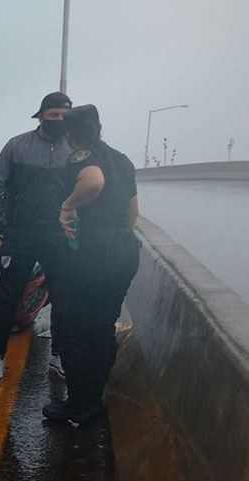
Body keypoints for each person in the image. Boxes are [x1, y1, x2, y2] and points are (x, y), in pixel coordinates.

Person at [43, 104, 140, 424]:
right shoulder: (122, 160)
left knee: (74, 329)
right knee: (102, 327)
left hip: (94, 257)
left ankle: (79, 404)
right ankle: (95, 400)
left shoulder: (81, 157)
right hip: (125, 252)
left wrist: (67, 205)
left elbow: (93, 182)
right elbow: (133, 212)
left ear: (71, 134)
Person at [0, 91, 74, 383]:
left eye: (64, 116)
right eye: (54, 115)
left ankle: (58, 355)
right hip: (20, 234)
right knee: (7, 298)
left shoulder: (74, 151)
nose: (59, 120)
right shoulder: (17, 146)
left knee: (62, 297)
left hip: (57, 235)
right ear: (41, 116)